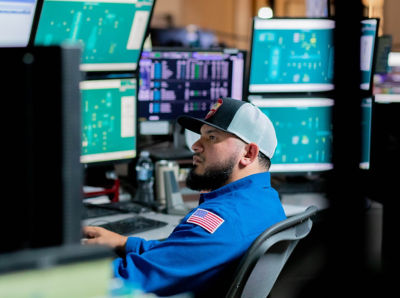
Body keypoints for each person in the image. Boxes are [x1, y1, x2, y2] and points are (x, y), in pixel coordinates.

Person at [83, 98, 286, 297]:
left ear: (249, 153)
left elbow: (125, 281)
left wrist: (63, 266)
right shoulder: (267, 201)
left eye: (211, 137)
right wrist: (125, 243)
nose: (196, 146)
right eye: (201, 136)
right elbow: (184, 254)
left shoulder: (223, 220)